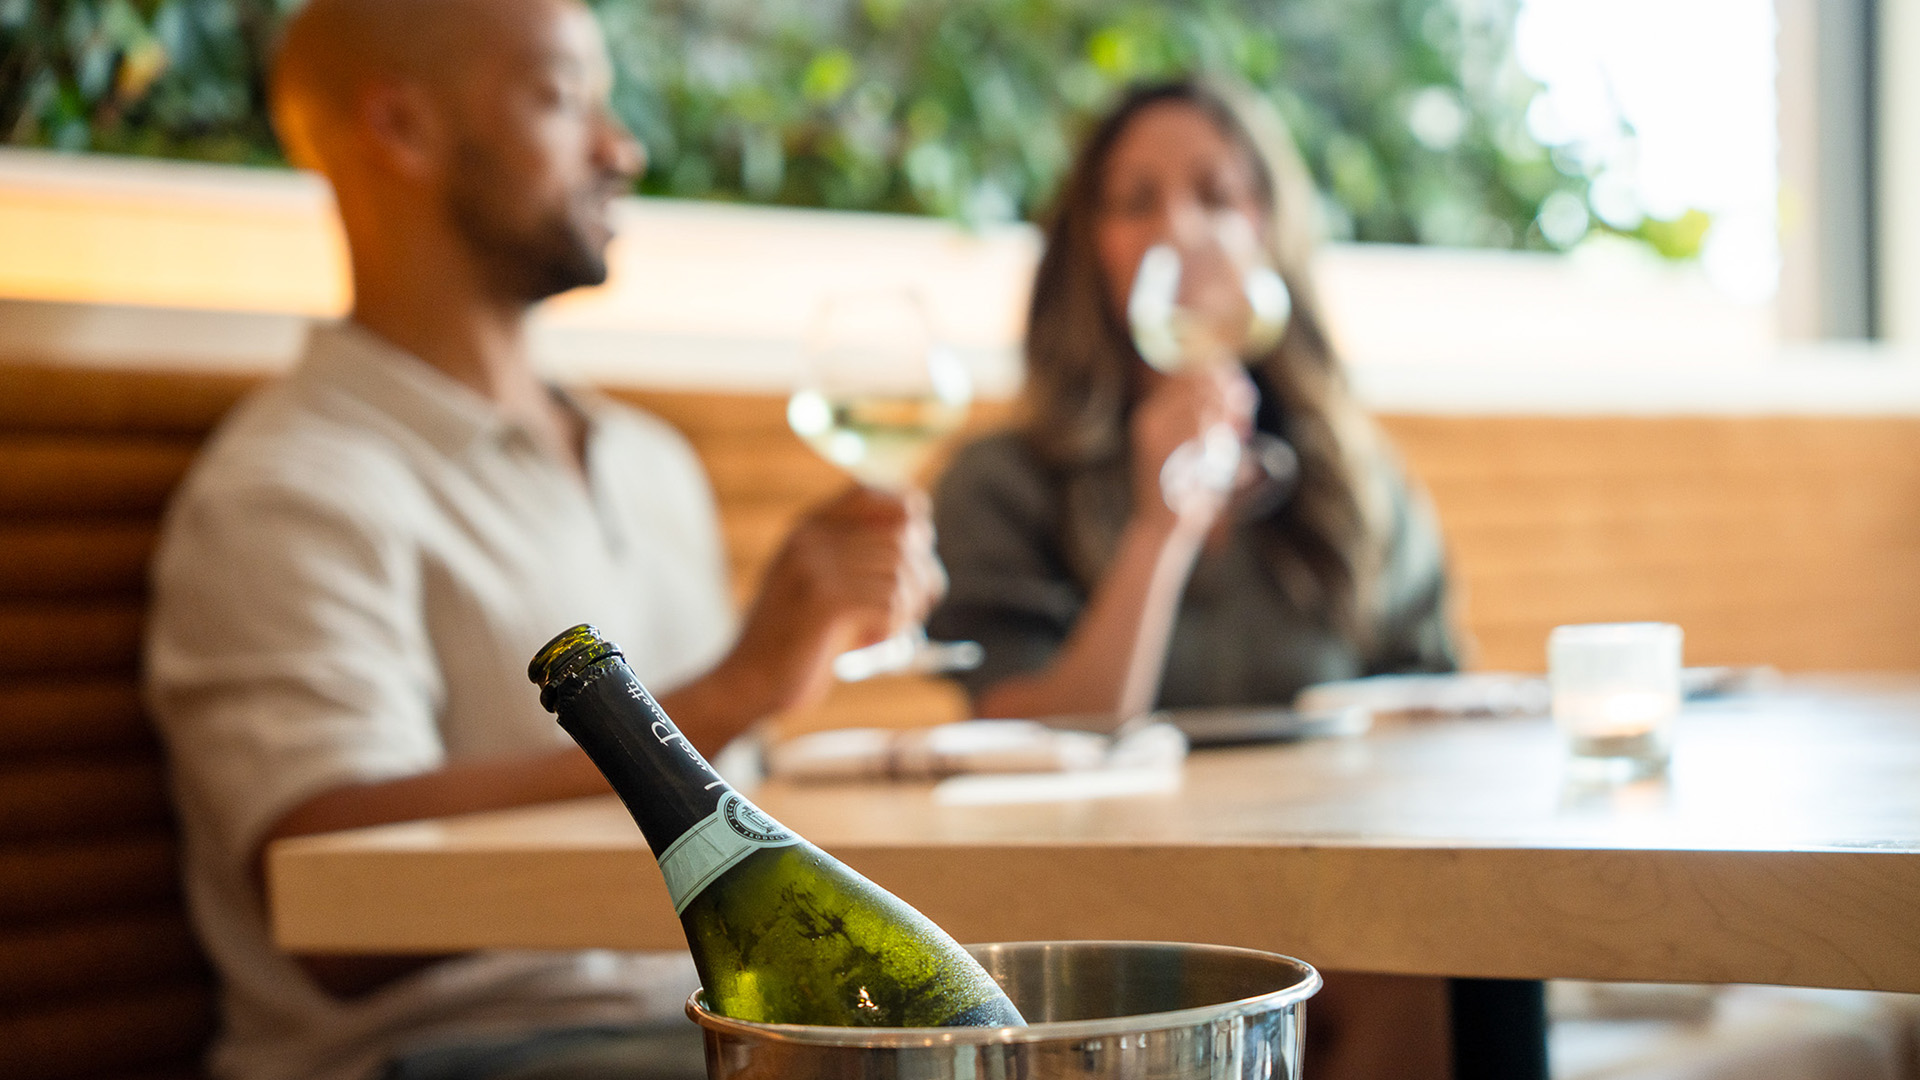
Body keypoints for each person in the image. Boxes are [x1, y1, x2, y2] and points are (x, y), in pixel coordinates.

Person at [144, 1, 943, 1079]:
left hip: (711, 1027)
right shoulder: (292, 487)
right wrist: (731, 693)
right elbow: (329, 903)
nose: (623, 148)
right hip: (454, 1052)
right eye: (565, 98)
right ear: (402, 128)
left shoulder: (649, 460)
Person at [927, 80, 1543, 1080]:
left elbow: (1436, 699)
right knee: (1398, 966)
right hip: (1092, 904)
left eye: (1217, 195)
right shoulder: (1001, 481)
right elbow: (1046, 740)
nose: (1183, 227)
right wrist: (1157, 530)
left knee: (1477, 940)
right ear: (1089, 246)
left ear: (1268, 230)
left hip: (1336, 882)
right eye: (1137, 201)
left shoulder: (1350, 478)